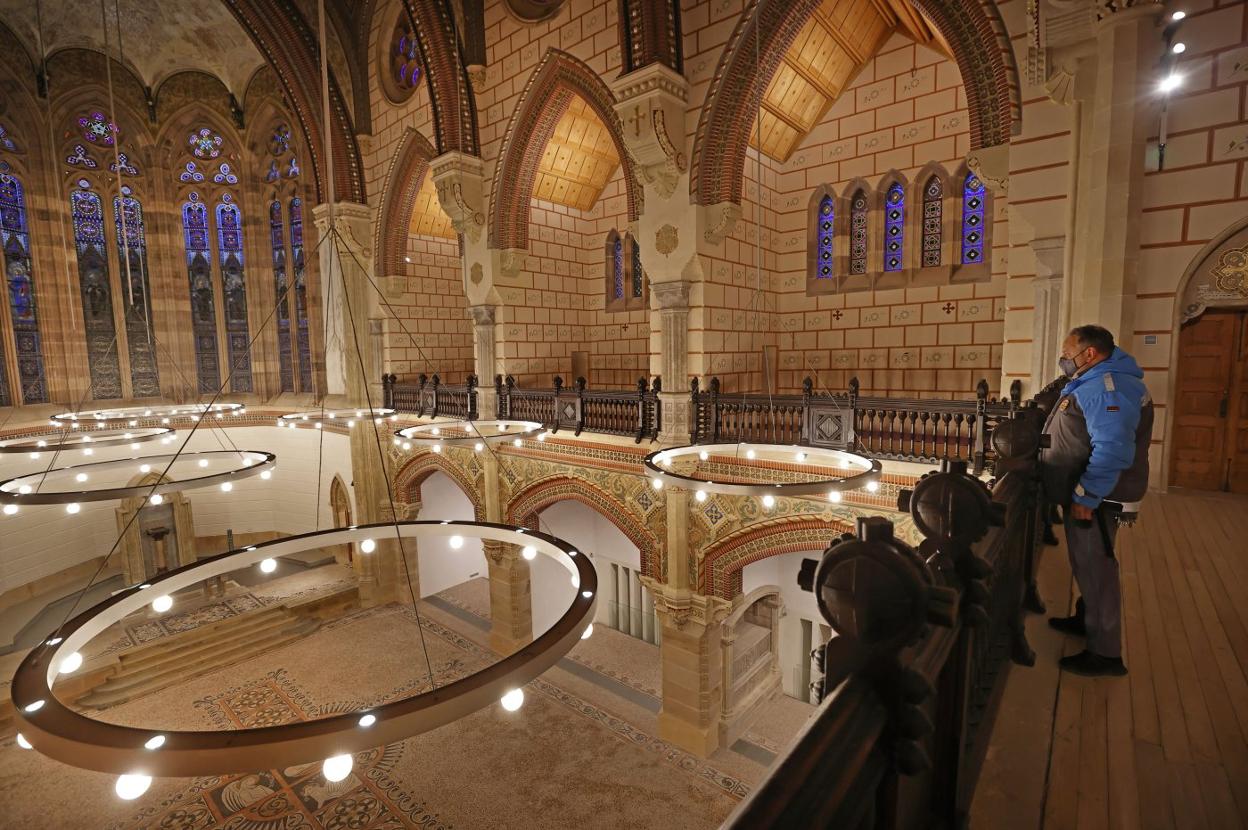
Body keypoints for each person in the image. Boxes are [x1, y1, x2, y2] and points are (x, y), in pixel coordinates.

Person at [1039, 325, 1153, 677]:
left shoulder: (1109, 386)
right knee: (1088, 563)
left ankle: (1104, 653)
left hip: (1096, 497)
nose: (1064, 359)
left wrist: (1086, 495)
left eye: (1067, 352)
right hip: (1090, 493)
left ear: (1089, 354)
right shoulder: (1102, 377)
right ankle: (1085, 618)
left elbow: (1113, 450)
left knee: (1097, 568)